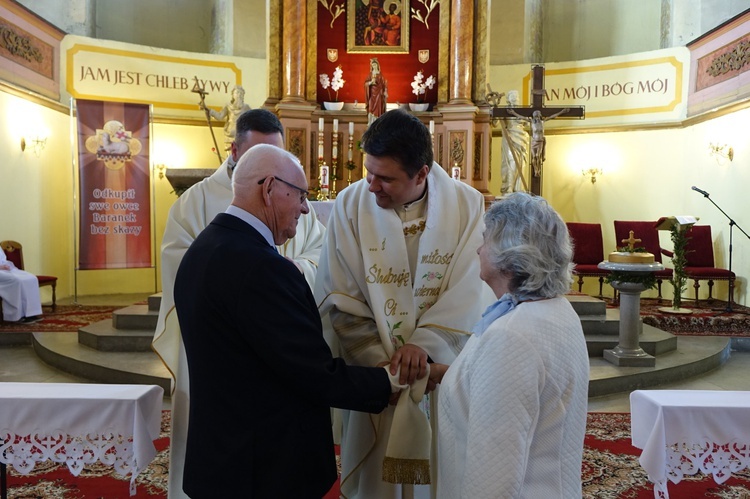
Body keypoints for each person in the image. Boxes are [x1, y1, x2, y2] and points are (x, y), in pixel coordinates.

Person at [175, 144, 409, 498]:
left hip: (222, 457)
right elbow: (311, 372)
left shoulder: (204, 248)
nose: (304, 207)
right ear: (269, 188)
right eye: (300, 195)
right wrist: (391, 381)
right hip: (264, 470)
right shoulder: (262, 268)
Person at [314, 109, 495, 498]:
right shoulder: (349, 205)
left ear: (422, 174)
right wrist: (382, 367)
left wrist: (423, 348)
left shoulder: (466, 206)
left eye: (386, 178)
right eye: (369, 171)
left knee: (440, 472)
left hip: (439, 372)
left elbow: (469, 288)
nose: (372, 185)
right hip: (376, 374)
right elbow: (339, 293)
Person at [152, 108, 326, 499]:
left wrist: (296, 271)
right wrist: (251, 281)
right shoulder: (194, 203)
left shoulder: (295, 199)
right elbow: (184, 269)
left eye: (278, 159)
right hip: (223, 346)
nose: (271, 173)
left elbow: (320, 251)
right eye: (258, 159)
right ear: (234, 150)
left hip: (278, 342)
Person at [430, 192, 590, 498]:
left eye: (487, 239)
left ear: (510, 252)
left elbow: (492, 475)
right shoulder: (556, 310)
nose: (479, 248)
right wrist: (447, 374)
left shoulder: (511, 335)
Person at [508, 107, 569, 176]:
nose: (537, 117)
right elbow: (522, 117)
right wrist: (513, 113)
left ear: (540, 116)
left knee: (537, 156)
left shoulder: (543, 122)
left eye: (538, 115)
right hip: (534, 142)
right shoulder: (532, 122)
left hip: (540, 142)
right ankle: (536, 170)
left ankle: (538, 170)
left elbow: (552, 116)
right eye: (535, 116)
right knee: (534, 157)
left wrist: (562, 112)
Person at [199, 84, 251, 152]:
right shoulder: (228, 106)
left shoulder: (246, 107)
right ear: (233, 95)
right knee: (230, 158)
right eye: (236, 92)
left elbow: (253, 118)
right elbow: (220, 116)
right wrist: (209, 110)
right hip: (230, 135)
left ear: (243, 95)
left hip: (242, 135)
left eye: (240, 93)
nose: (238, 94)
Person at [0, 247, 42, 323]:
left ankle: (31, 313)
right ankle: (16, 316)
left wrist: (6, 265)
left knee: (31, 278)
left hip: (4, 269)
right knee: (17, 281)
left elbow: (3, 259)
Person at [500, 90, 528, 193]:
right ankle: (509, 188)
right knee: (511, 162)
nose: (515, 97)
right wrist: (494, 108)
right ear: (508, 98)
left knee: (521, 163)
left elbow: (528, 123)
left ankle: (518, 188)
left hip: (521, 138)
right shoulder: (505, 110)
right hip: (510, 137)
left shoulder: (522, 111)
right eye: (512, 95)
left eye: (516, 95)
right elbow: (495, 122)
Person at [365, 58, 387, 126]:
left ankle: (378, 122)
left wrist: (385, 91)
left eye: (375, 65)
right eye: (373, 65)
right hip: (372, 93)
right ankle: (371, 122)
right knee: (371, 106)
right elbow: (365, 84)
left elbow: (384, 84)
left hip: (379, 94)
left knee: (379, 107)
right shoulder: (370, 74)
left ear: (377, 65)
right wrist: (370, 82)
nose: (374, 66)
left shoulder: (380, 74)